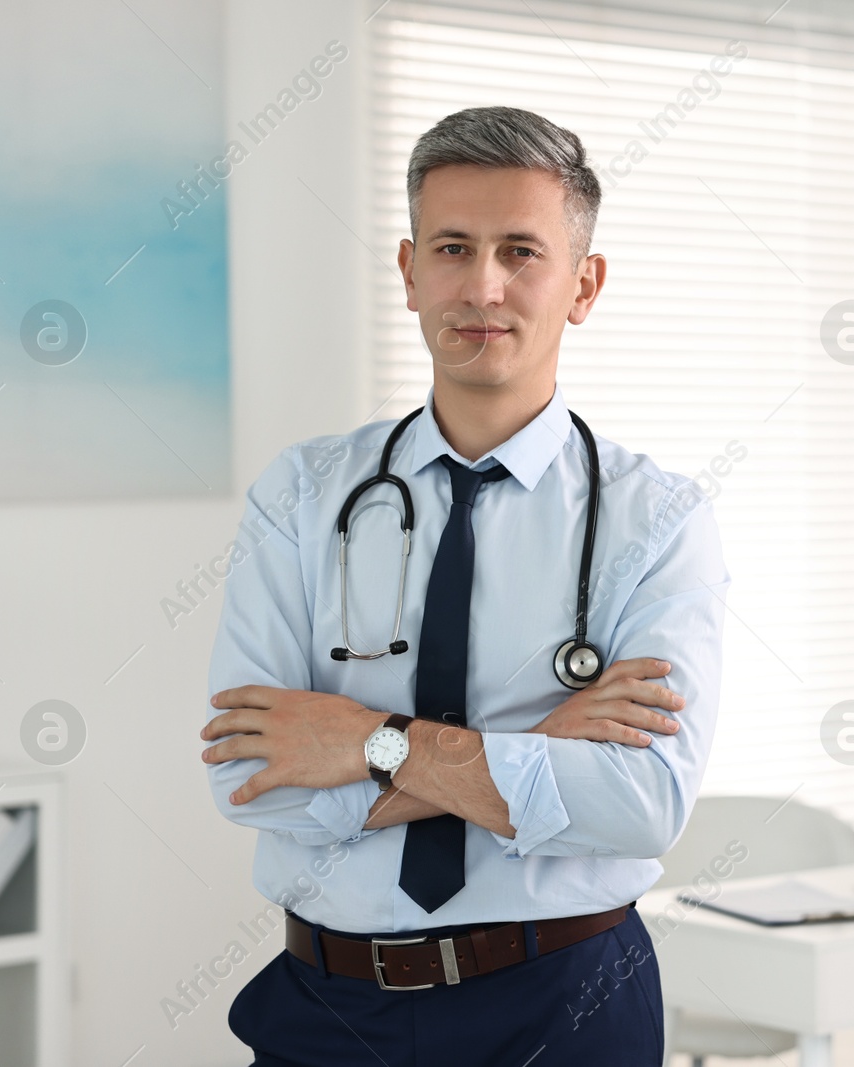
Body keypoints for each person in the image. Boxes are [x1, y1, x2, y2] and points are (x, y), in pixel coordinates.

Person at [200, 105, 729, 1066]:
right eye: (452, 247)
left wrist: (362, 741)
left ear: (584, 284)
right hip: (328, 1009)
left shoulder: (659, 521)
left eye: (521, 250)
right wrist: (536, 752)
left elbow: (642, 801)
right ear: (408, 272)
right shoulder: (302, 495)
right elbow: (250, 780)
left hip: (566, 1002)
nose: (482, 284)